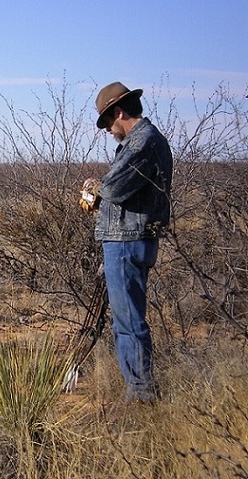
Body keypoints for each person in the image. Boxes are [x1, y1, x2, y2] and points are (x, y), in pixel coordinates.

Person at [79, 82, 173, 403]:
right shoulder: (147, 141)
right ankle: (138, 388)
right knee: (127, 319)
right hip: (131, 239)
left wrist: (96, 186)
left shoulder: (142, 142)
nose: (107, 129)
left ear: (119, 112)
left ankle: (141, 394)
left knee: (129, 322)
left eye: (107, 122)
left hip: (127, 241)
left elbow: (116, 189)